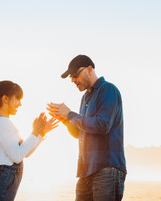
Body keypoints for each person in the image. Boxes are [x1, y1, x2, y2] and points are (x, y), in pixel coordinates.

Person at [47, 55, 127, 201]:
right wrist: (66, 119)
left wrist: (70, 114)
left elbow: (102, 126)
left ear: (89, 69)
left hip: (106, 169)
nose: (72, 80)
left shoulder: (108, 90)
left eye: (74, 74)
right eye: (71, 77)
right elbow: (80, 133)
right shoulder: (85, 98)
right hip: (86, 171)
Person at [0, 80, 59, 201]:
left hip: (1, 181)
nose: (20, 104)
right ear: (5, 99)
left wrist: (41, 133)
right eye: (18, 99)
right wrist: (35, 131)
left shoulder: (2, 122)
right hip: (1, 181)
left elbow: (24, 153)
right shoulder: (3, 123)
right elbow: (17, 156)